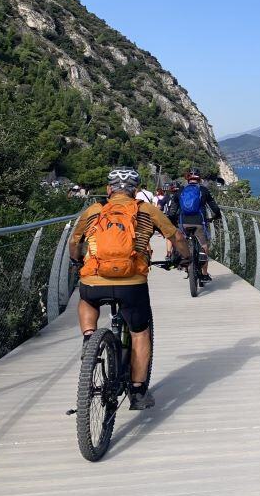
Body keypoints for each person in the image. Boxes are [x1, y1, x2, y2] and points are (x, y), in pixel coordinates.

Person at [69, 168, 191, 410]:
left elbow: (75, 241)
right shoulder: (146, 210)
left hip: (95, 279)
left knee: (87, 300)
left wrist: (77, 261)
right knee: (140, 333)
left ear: (108, 190)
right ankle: (137, 392)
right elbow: (176, 236)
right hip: (132, 284)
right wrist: (185, 258)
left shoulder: (94, 211)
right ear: (135, 191)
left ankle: (88, 339)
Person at [166, 167, 222, 282]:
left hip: (183, 222)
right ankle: (204, 274)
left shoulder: (180, 191)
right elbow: (214, 207)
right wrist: (217, 216)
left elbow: (172, 211)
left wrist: (173, 221)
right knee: (204, 245)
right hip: (199, 222)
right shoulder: (204, 190)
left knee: (183, 242)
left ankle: (186, 265)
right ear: (199, 178)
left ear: (187, 178)